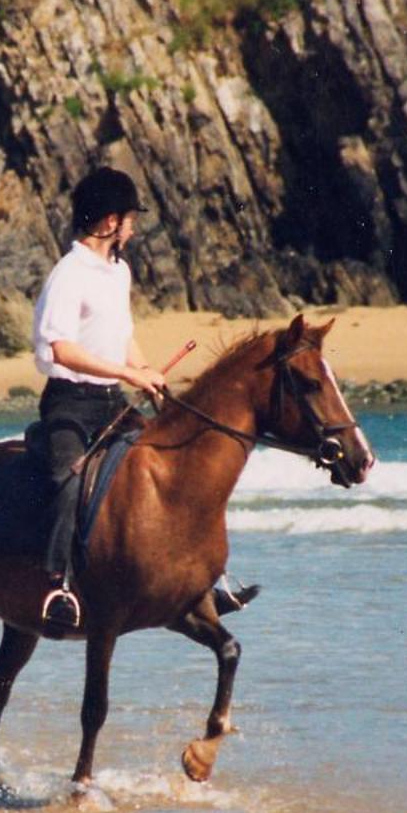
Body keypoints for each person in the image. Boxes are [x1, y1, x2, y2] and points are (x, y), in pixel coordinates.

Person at [31, 167, 255, 633]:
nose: (134, 227)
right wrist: (127, 372)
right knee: (68, 479)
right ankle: (60, 585)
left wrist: (145, 370)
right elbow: (61, 349)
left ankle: (195, 580)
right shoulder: (68, 274)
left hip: (111, 399)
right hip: (69, 402)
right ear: (110, 222)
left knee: (177, 465)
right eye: (131, 219)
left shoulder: (118, 271)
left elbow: (121, 336)